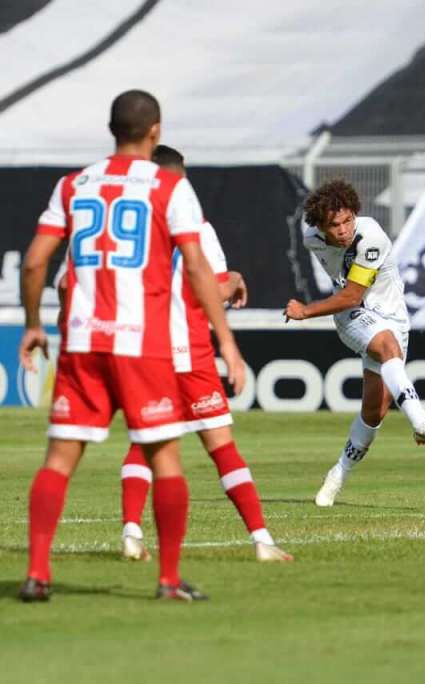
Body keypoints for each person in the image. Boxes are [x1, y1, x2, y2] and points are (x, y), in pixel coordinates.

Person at [17, 90, 245, 602]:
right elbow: (198, 267)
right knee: (165, 458)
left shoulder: (73, 184)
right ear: (155, 131)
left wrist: (34, 324)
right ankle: (167, 581)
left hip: (82, 343)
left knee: (58, 460)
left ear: (111, 129)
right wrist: (226, 341)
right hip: (143, 346)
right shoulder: (169, 187)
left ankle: (37, 574)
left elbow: (35, 262)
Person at [115, 145, 292, 563]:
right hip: (188, 351)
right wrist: (235, 282)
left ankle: (130, 530)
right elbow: (208, 287)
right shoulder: (195, 224)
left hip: (142, 351)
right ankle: (262, 540)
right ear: (178, 177)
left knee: (144, 443)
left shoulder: (126, 227)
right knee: (221, 447)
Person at [283, 179, 425, 507]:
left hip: (391, 316)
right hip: (353, 316)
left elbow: (351, 291)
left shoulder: (371, 236)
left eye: (348, 220)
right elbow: (350, 299)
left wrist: (305, 310)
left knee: (374, 412)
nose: (344, 230)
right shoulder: (310, 239)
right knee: (387, 346)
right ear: (320, 226)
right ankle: (421, 421)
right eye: (335, 225)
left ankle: (338, 474)